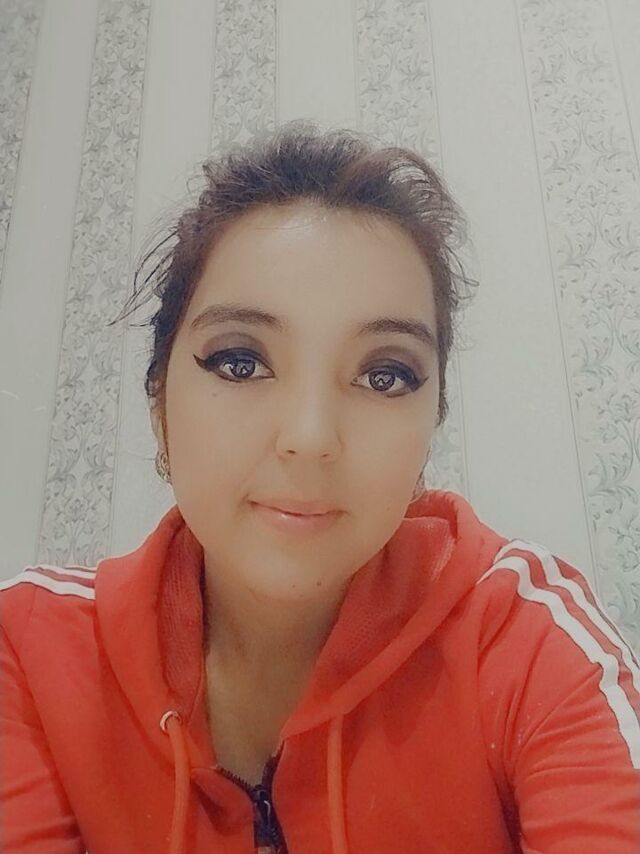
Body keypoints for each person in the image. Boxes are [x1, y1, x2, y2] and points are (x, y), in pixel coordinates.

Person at [1, 121, 638, 854]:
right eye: (241, 362)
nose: (310, 436)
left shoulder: (524, 642)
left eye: (384, 375)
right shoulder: (27, 652)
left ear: (431, 423)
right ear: (158, 403)